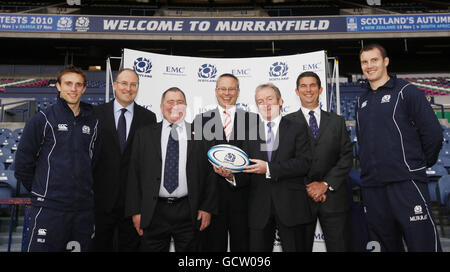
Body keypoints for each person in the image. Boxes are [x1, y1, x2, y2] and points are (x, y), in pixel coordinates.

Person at [356, 43, 443, 252]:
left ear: (386, 62)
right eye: (364, 62)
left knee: (422, 244)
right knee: (384, 245)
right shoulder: (362, 100)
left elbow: (433, 133)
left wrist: (416, 165)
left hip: (406, 183)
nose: (369, 66)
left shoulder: (407, 91)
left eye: (374, 60)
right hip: (374, 188)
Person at [215, 83, 312, 252]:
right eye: (260, 101)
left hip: (291, 207)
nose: (265, 104)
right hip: (259, 209)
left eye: (269, 99)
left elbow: (304, 163)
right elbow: (245, 170)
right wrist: (230, 176)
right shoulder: (249, 133)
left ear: (280, 101)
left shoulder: (298, 128)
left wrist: (269, 168)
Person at [14, 65, 100, 252]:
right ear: (59, 86)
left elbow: (94, 164)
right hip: (49, 211)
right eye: (68, 83)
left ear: (84, 89)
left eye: (78, 85)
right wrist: (43, 192)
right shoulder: (42, 119)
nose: (73, 89)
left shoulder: (93, 123)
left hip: (82, 212)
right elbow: (22, 164)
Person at [125, 87, 217, 252]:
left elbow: (210, 175)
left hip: (189, 211)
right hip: (153, 212)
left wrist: (207, 207)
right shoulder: (144, 135)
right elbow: (134, 174)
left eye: (180, 102)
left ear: (186, 106)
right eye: (170, 102)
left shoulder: (201, 135)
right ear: (161, 107)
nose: (175, 106)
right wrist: (136, 211)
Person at [285, 71, 353, 251]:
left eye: (312, 85)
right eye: (303, 86)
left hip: (333, 198)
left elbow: (346, 157)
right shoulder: (285, 122)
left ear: (320, 89)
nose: (308, 90)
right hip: (300, 198)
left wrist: (325, 184)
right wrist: (309, 188)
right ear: (297, 91)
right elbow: (284, 162)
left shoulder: (337, 121)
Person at [92, 68, 156, 251]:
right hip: (101, 202)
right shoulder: (96, 114)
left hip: (133, 205)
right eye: (124, 83)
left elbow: (150, 162)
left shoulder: (148, 118)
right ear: (114, 85)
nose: (128, 88)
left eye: (133, 84)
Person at [193, 73, 257, 252]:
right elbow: (198, 164)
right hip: (211, 204)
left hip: (243, 201)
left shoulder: (252, 121)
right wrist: (203, 204)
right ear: (216, 91)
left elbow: (254, 159)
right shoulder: (201, 121)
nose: (227, 93)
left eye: (231, 89)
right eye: (222, 88)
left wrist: (233, 177)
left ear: (238, 91)